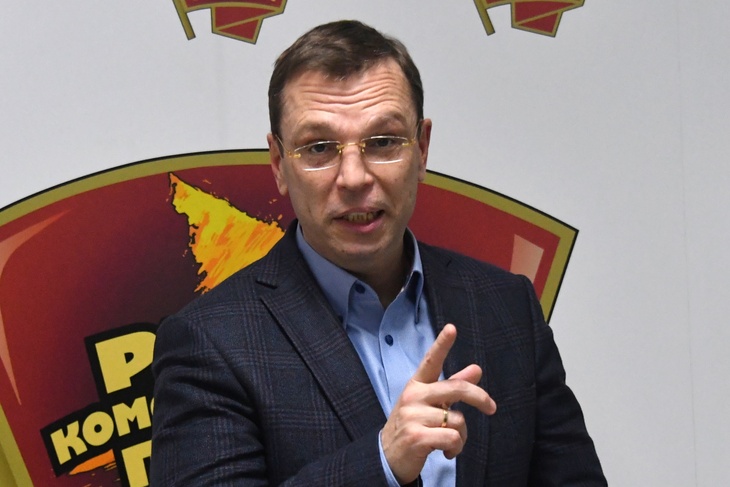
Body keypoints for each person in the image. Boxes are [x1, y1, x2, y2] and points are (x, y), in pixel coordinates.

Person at [151, 20, 606, 486]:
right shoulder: (209, 341)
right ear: (278, 164)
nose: (354, 177)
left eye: (384, 142)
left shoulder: (507, 307)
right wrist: (382, 461)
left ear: (422, 148)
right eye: (319, 148)